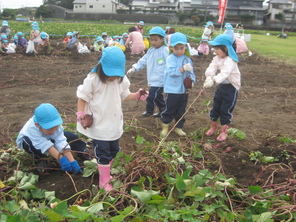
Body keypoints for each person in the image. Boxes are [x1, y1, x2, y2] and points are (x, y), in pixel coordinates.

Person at [76, 46, 148, 191]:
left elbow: (124, 95)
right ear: (102, 66)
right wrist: (80, 114)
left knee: (114, 150)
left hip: (113, 122)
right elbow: (82, 97)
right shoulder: (93, 79)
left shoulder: (120, 79)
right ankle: (103, 181)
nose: (113, 77)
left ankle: (106, 173)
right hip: (99, 123)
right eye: (110, 74)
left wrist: (137, 95)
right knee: (102, 153)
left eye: (116, 74)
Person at [16, 103, 90, 174]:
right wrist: (61, 159)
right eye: (49, 128)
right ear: (38, 125)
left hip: (49, 138)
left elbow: (61, 141)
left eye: (55, 127)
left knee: (70, 136)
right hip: (34, 143)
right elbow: (46, 146)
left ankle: (82, 152)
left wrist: (72, 161)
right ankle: (40, 159)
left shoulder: (55, 124)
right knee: (27, 142)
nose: (53, 130)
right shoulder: (31, 129)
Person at [203, 34, 241, 142]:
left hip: (231, 88)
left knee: (225, 110)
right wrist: (209, 76)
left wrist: (214, 80)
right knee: (216, 107)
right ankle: (213, 127)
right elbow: (212, 67)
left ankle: (224, 131)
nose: (215, 51)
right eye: (214, 48)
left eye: (217, 48)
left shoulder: (230, 60)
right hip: (221, 86)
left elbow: (225, 73)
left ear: (225, 48)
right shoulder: (217, 58)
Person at [126, 26, 168, 117]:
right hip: (152, 79)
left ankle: (149, 111)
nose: (153, 42)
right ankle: (163, 109)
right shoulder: (151, 51)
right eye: (151, 40)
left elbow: (170, 63)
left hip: (161, 79)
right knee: (157, 97)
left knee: (151, 96)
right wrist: (135, 68)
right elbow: (143, 61)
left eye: (155, 40)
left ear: (162, 39)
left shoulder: (165, 51)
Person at [160, 32, 196, 137]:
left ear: (186, 47)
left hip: (184, 90)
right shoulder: (170, 58)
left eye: (182, 48)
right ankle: (165, 126)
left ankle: (178, 127)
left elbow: (191, 72)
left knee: (181, 110)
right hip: (172, 89)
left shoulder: (187, 59)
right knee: (170, 108)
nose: (179, 51)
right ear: (171, 47)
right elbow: (172, 72)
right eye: (176, 48)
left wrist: (192, 81)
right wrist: (183, 69)